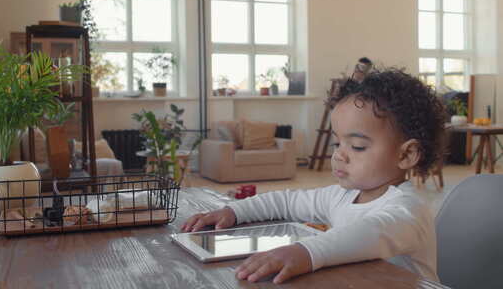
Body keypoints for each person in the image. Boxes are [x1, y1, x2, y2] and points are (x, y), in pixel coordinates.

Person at [182, 68, 447, 284]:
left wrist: (305, 252)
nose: (340, 156)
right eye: (337, 144)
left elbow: (368, 233)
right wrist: (234, 212)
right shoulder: (342, 196)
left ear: (406, 155)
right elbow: (286, 202)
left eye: (357, 147)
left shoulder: (408, 210)